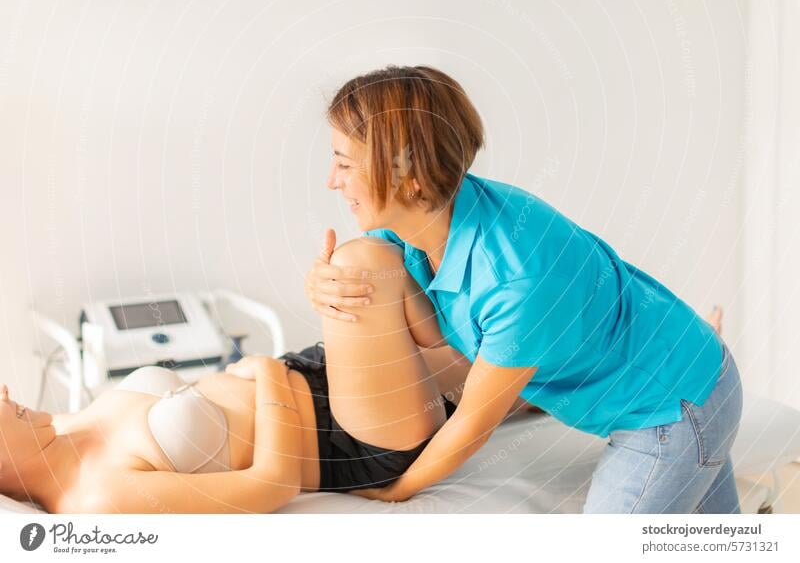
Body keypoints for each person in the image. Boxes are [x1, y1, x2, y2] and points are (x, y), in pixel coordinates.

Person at [304, 64, 743, 514]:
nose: (331, 180)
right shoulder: (423, 218)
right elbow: (419, 319)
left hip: (672, 408)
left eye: (343, 162)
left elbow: (473, 424)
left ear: (409, 176)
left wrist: (395, 492)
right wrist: (325, 284)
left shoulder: (517, 277)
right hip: (682, 370)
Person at [0, 238, 481, 514]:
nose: (3, 390)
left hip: (312, 371)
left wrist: (277, 372)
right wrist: (269, 372)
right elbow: (272, 484)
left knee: (511, 370)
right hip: (348, 436)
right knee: (366, 263)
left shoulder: (57, 431)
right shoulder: (94, 496)